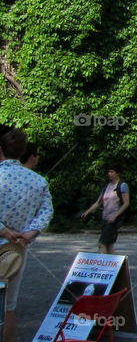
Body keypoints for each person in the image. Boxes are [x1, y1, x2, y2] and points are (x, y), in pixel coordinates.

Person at [0, 127, 54, 342]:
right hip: (17, 250)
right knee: (9, 305)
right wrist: (30, 233)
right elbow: (46, 211)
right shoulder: (38, 181)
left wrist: (2, 229)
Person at [81, 164, 130, 254]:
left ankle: (101, 265)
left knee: (101, 243)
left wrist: (115, 216)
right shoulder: (106, 186)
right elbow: (99, 202)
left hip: (114, 220)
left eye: (112, 172)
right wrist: (88, 211)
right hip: (105, 219)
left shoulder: (122, 186)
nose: (109, 174)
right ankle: (114, 266)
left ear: (118, 173)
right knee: (109, 244)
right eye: (109, 172)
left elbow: (126, 203)